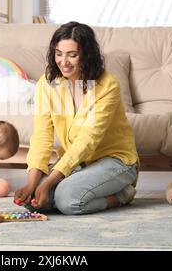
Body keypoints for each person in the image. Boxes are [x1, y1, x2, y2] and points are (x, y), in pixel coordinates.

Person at [14, 21, 139, 215]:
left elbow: (87, 141)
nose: (63, 61)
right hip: (77, 163)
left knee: (68, 200)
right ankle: (70, 188)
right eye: (58, 53)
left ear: (87, 55)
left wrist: (48, 182)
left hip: (115, 161)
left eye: (72, 55)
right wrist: (32, 183)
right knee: (32, 200)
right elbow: (42, 136)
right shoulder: (48, 84)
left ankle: (121, 195)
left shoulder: (107, 86)